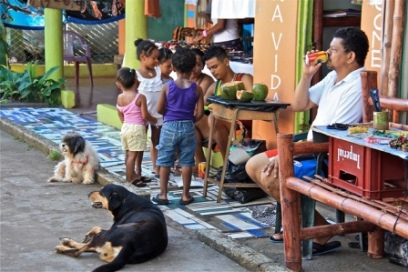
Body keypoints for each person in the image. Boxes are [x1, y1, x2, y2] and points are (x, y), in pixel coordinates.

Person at [245, 27, 369, 254]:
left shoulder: (357, 86)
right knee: (252, 165)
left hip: (328, 156)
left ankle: (310, 230)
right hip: (309, 147)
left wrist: (289, 154)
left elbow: (333, 137)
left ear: (350, 56)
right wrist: (306, 74)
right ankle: (318, 227)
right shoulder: (333, 77)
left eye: (333, 50)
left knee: (272, 175)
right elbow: (299, 105)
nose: (327, 53)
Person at [152, 48, 204, 205]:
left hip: (169, 126)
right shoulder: (197, 88)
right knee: (187, 161)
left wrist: (169, 115)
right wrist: (190, 120)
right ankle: (186, 195)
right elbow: (200, 113)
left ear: (173, 67)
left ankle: (163, 195)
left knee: (165, 160)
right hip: (188, 126)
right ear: (193, 67)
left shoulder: (168, 87)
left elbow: (159, 109)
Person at [203, 45, 253, 159]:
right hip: (222, 126)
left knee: (213, 118)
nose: (212, 71)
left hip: (242, 125)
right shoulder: (214, 86)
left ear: (226, 61)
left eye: (215, 67)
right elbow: (203, 103)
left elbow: (251, 103)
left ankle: (227, 161)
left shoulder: (244, 79)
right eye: (209, 68)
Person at [116, 67, 158, 187]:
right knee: (133, 155)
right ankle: (130, 178)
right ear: (136, 81)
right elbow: (145, 115)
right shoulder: (140, 97)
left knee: (128, 153)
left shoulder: (120, 97)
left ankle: (134, 174)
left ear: (120, 84)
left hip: (126, 127)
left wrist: (125, 123)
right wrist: (154, 120)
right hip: (137, 128)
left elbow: (120, 112)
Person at [134, 38, 163, 177]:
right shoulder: (136, 75)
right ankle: (138, 169)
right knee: (140, 143)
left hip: (158, 114)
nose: (157, 61)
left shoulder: (158, 71)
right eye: (154, 58)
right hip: (142, 115)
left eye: (158, 58)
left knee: (156, 140)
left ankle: (156, 166)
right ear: (143, 57)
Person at [190, 48, 215, 166]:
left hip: (205, 120)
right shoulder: (184, 80)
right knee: (190, 129)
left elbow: (198, 105)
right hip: (194, 120)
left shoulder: (207, 80)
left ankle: (199, 163)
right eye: (191, 63)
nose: (194, 68)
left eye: (198, 64)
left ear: (203, 66)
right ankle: (201, 164)